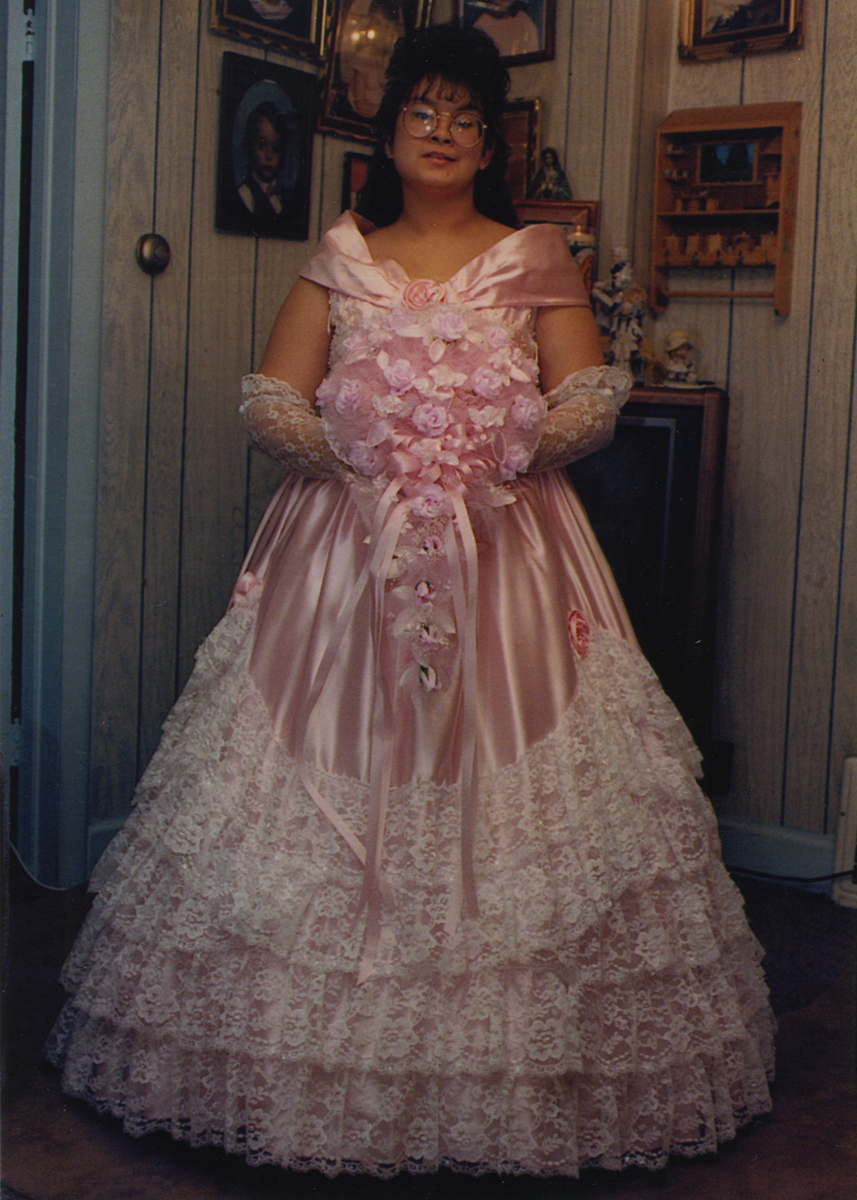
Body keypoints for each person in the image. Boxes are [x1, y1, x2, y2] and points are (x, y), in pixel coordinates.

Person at [45, 21, 774, 1180]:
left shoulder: (533, 255)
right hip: (346, 549)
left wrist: (504, 441)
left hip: (507, 546)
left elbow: (591, 393)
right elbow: (269, 398)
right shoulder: (342, 254)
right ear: (387, 135)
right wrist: (354, 449)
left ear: (489, 145)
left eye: (465, 118)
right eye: (421, 113)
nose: (442, 132)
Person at [237, 101, 291, 225]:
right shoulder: (246, 194)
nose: (268, 155)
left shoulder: (283, 194)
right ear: (250, 146)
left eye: (275, 148)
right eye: (262, 145)